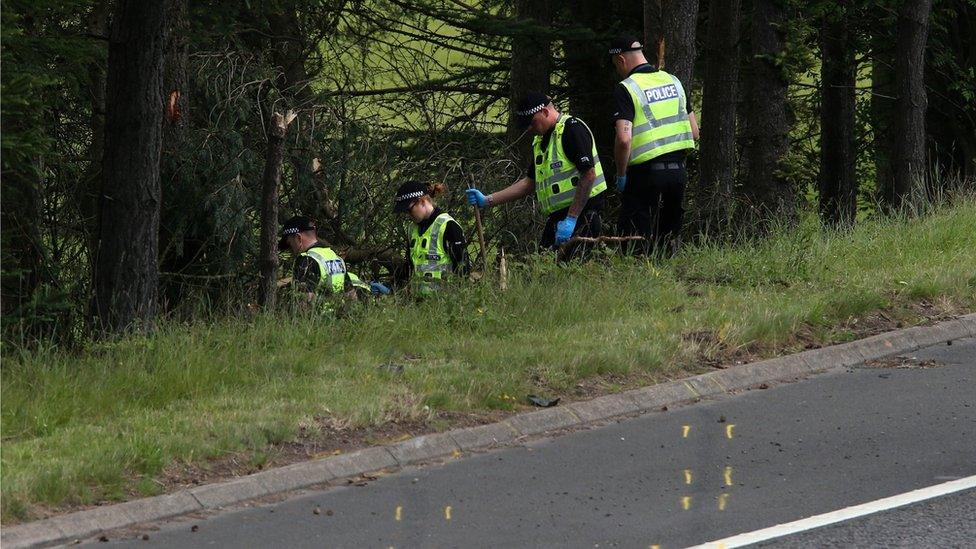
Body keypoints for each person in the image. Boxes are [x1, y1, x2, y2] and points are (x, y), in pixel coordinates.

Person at [465, 92, 608, 253]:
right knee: (545, 265)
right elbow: (529, 183)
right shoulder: (541, 141)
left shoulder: (571, 129)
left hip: (584, 214)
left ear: (545, 112)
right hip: (558, 218)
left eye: (532, 123)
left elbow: (588, 174)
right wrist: (488, 199)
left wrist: (571, 219)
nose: (530, 128)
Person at [610, 35, 699, 254]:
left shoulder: (627, 88)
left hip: (644, 175)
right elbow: (695, 132)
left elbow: (624, 138)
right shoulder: (673, 81)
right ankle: (666, 278)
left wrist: (621, 174)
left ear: (621, 60)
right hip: (678, 172)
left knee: (634, 240)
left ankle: (638, 279)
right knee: (666, 238)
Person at [278, 216, 388, 309]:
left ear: (298, 238)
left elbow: (304, 303)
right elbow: (351, 296)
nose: (291, 251)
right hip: (335, 320)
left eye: (290, 244)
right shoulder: (333, 256)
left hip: (316, 324)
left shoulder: (305, 260)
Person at [392, 181, 468, 294]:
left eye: (409, 210)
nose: (408, 215)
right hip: (418, 302)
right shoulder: (412, 229)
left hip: (446, 300)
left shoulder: (449, 226)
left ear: (422, 202)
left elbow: (462, 268)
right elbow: (410, 266)